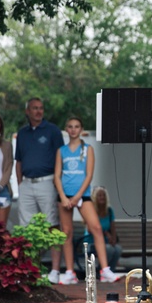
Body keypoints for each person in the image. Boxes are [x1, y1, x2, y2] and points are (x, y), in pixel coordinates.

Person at [54, 116, 119, 284]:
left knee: (96, 227)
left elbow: (89, 175)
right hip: (64, 196)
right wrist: (62, 196)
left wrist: (77, 197)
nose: (73, 129)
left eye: (76, 126)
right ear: (66, 129)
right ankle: (69, 272)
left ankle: (105, 270)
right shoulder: (61, 150)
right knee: (66, 233)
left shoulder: (88, 148)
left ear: (81, 130)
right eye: (70, 126)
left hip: (82, 195)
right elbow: (57, 175)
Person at [15, 97, 65, 282]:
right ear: (27, 111)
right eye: (34, 108)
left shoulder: (52, 131)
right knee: (27, 227)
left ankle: (54, 271)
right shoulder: (22, 133)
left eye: (41, 108)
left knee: (52, 225)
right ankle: (32, 269)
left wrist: (57, 183)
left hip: (48, 182)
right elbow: (18, 161)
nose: (38, 111)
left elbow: (61, 157)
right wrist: (20, 184)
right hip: (26, 184)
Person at [84, 186, 121, 271]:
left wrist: (114, 239)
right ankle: (101, 270)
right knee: (109, 249)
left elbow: (113, 228)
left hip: (106, 241)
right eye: (99, 195)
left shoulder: (109, 211)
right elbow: (90, 229)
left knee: (117, 249)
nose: (102, 197)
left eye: (103, 195)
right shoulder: (91, 210)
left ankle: (111, 270)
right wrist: (105, 233)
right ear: (95, 197)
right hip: (91, 241)